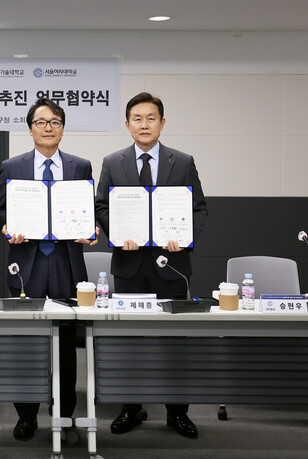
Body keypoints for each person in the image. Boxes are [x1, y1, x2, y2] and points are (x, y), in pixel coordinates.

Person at [95, 92, 208, 438]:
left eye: (151, 118)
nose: (144, 125)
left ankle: (177, 413)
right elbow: (101, 206)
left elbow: (199, 208)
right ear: (127, 124)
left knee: (174, 342)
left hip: (171, 265)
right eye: (137, 119)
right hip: (129, 266)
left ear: (162, 122)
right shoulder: (112, 162)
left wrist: (185, 238)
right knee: (129, 340)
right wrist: (118, 234)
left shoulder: (182, 161)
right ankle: (131, 408)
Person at [0, 98, 97, 441]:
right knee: (26, 344)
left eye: (55, 122)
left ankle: (64, 417)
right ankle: (26, 416)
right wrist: (8, 227)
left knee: (65, 345)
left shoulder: (81, 166)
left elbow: (89, 210)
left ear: (62, 128)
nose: (48, 128)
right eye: (41, 122)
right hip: (27, 261)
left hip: (66, 261)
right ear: (30, 129)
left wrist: (92, 229)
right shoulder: (12, 166)